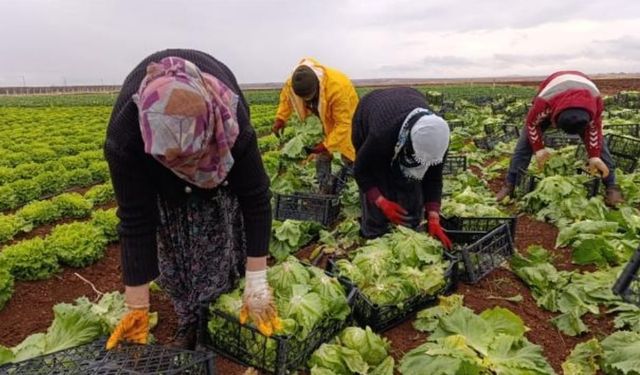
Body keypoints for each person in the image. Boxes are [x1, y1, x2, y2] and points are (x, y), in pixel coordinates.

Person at [104, 50, 280, 350]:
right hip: (162, 189)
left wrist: (258, 281)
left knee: (216, 246)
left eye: (190, 159)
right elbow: (135, 218)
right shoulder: (126, 137)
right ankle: (189, 320)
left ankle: (214, 320)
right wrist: (137, 305)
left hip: (217, 171)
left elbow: (256, 199)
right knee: (172, 260)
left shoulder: (230, 118)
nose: (186, 172)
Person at [495, 71, 624, 206]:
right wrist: (538, 149)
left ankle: (611, 186)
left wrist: (594, 156)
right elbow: (531, 124)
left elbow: (595, 129)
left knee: (600, 146)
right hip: (553, 100)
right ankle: (510, 184)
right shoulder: (544, 103)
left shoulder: (595, 102)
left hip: (583, 102)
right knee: (525, 144)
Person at [352, 87, 452, 249]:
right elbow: (361, 171)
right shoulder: (380, 135)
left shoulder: (438, 137)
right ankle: (373, 233)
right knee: (379, 176)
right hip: (369, 112)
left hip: (408, 99)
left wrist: (433, 215)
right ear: (408, 142)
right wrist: (381, 201)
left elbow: (433, 177)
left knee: (411, 184)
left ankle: (410, 225)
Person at [272, 58, 358, 193]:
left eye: (310, 96)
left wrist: (326, 145)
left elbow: (344, 124)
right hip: (320, 118)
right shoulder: (294, 81)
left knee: (348, 155)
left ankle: (347, 191)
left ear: (318, 86)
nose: (307, 101)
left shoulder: (337, 88)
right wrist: (281, 118)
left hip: (343, 118)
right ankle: (324, 191)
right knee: (322, 157)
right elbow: (286, 98)